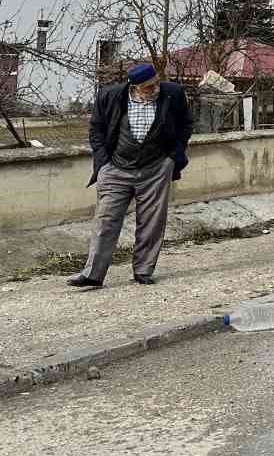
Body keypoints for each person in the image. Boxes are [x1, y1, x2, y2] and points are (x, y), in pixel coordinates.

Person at [69, 62, 194, 288]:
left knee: (152, 222)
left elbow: (186, 126)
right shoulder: (110, 97)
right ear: (134, 87)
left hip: (155, 168)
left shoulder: (172, 94)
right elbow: (96, 130)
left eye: (156, 83)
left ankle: (143, 271)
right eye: (149, 87)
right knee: (105, 220)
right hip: (116, 168)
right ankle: (93, 274)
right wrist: (103, 164)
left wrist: (172, 159)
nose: (155, 89)